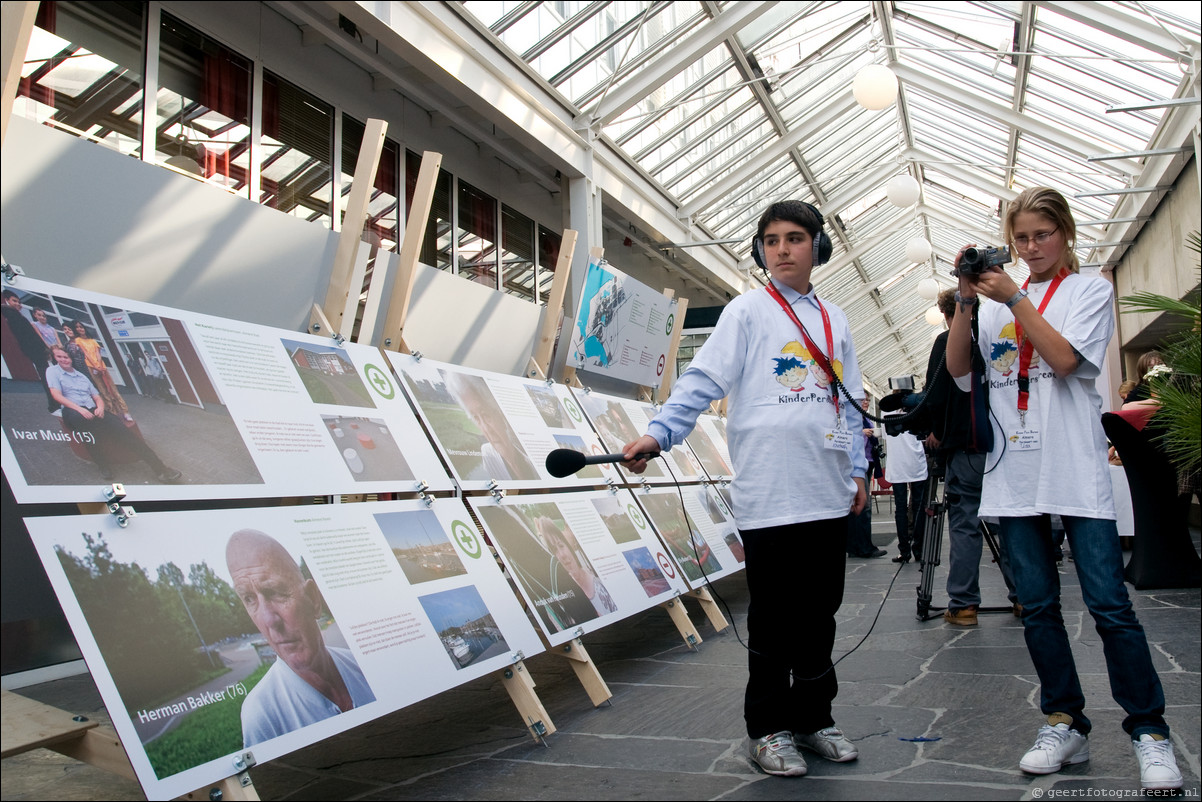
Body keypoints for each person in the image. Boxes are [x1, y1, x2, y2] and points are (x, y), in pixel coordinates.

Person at [945, 186, 1181, 791]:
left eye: (1041, 235)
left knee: (1109, 603)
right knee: (1039, 608)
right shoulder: (995, 303)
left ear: (1066, 233)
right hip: (1013, 474)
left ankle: (1149, 730)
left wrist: (1018, 298)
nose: (1030, 247)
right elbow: (960, 371)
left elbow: (1066, 360)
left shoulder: (1088, 290)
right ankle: (1064, 720)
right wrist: (967, 305)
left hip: (1074, 469)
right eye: (1020, 238)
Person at [622, 200, 866, 778]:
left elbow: (852, 405)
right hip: (769, 496)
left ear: (817, 248)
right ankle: (768, 729)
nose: (782, 249)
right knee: (774, 620)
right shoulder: (746, 312)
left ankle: (813, 720)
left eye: (795, 238)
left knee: (820, 616)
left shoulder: (835, 318)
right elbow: (703, 379)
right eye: (772, 240)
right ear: (761, 250)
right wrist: (660, 434)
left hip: (826, 493)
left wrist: (856, 470)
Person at [226, 529, 375, 747]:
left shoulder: (363, 665)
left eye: (275, 591)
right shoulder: (261, 717)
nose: (269, 620)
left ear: (313, 599)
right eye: (250, 599)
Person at [923, 288, 1017, 624]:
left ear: (947, 313)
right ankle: (1024, 596)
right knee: (1008, 523)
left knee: (965, 523)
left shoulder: (948, 341)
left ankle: (963, 603)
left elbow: (935, 394)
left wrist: (935, 430)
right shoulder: (995, 336)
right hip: (1003, 443)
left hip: (965, 445)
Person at [44, 345, 182, 482]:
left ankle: (161, 469)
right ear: (55, 358)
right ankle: (103, 465)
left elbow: (96, 396)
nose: (63, 359)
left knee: (122, 430)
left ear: (71, 358)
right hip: (73, 410)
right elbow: (56, 395)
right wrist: (80, 409)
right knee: (88, 432)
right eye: (59, 357)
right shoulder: (52, 371)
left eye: (66, 357)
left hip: (93, 409)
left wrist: (100, 407)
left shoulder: (81, 376)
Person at [444, 370, 539, 481]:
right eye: (476, 418)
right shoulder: (488, 455)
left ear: (501, 412)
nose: (486, 429)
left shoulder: (528, 461)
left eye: (486, 414)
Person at [535, 516, 617, 616]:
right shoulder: (565, 598)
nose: (562, 555)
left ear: (568, 545)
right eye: (554, 550)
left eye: (561, 545)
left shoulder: (600, 585)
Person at [883, 409, 928, 564]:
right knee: (918, 506)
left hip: (897, 463)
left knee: (900, 508)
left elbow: (886, 435)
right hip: (915, 461)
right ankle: (919, 550)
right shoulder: (917, 407)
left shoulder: (885, 411)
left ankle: (904, 551)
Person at [1, 289, 56, 411]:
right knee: (46, 376)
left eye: (18, 301)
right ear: (7, 300)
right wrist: (41, 349)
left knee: (46, 375)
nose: (17, 304)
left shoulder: (13, 314)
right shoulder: (11, 314)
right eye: (14, 301)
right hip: (35, 350)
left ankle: (54, 402)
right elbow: (25, 336)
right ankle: (53, 403)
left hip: (35, 350)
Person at [69, 320, 132, 421]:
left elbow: (98, 354)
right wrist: (95, 366)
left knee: (113, 390)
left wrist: (99, 365)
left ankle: (125, 411)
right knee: (103, 391)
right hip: (92, 367)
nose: (80, 329)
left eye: (81, 327)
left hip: (102, 367)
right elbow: (86, 354)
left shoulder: (93, 341)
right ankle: (113, 412)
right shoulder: (78, 340)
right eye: (77, 327)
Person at [847, 397, 886, 558]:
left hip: (867, 462)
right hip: (857, 464)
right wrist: (862, 434)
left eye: (867, 400)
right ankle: (863, 546)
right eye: (862, 399)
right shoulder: (851, 418)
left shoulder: (863, 418)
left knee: (860, 505)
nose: (865, 402)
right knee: (863, 506)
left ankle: (857, 545)